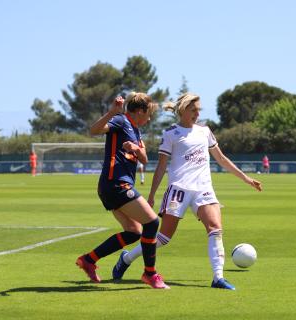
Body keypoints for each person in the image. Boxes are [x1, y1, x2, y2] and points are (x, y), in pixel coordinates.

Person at [112, 93, 262, 290]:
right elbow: (161, 167)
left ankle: (218, 278)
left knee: (215, 228)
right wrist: (151, 195)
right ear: (182, 110)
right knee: (164, 238)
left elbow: (222, 159)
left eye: (198, 110)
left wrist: (247, 179)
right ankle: (128, 257)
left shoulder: (205, 132)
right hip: (178, 190)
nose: (197, 113)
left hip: (203, 189)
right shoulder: (171, 134)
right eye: (193, 110)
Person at [75, 93, 169, 289]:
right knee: (152, 222)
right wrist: (111, 111)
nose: (149, 118)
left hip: (117, 185)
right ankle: (150, 274)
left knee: (134, 232)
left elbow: (144, 159)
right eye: (148, 114)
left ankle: (88, 260)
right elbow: (94, 130)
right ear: (140, 111)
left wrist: (136, 147)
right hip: (115, 184)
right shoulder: (119, 120)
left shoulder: (136, 130)